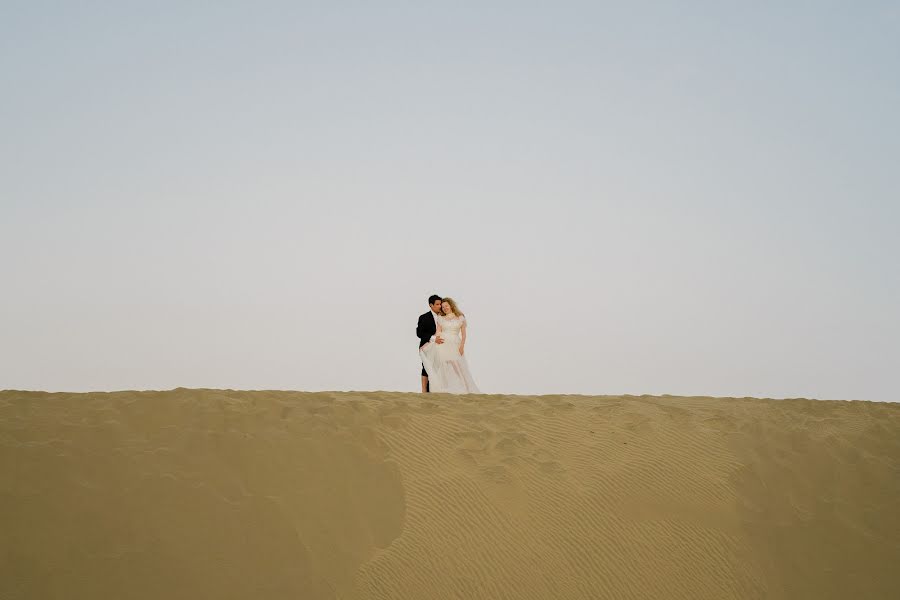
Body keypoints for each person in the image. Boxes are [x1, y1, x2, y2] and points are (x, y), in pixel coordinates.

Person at [419, 297, 480, 394]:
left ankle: (466, 386)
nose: (444, 308)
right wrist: (430, 342)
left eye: (446, 306)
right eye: (443, 307)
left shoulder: (460, 317)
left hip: (455, 343)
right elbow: (438, 332)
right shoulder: (441, 318)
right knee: (444, 365)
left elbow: (464, 335)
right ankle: (441, 387)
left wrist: (462, 346)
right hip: (443, 342)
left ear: (451, 305)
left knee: (458, 365)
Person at [416, 295, 445, 392]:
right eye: (437, 304)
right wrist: (433, 338)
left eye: (440, 304)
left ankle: (435, 390)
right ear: (431, 305)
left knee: (439, 368)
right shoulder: (423, 317)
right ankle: (424, 392)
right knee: (426, 367)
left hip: (441, 347)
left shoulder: (444, 316)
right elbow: (419, 333)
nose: (440, 306)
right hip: (427, 347)